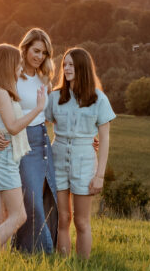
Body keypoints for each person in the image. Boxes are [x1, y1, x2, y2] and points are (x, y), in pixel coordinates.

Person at [0, 28, 59, 253]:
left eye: (44, 53)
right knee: (29, 204)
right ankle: (38, 252)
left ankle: (13, 252)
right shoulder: (12, 76)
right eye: (36, 51)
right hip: (19, 142)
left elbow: (51, 112)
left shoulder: (44, 78)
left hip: (42, 141)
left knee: (48, 199)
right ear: (24, 48)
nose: (39, 57)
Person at [47, 47, 115, 259]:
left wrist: (99, 175)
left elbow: (104, 139)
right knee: (63, 218)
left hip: (85, 161)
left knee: (81, 221)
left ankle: (83, 267)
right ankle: (63, 263)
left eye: (71, 64)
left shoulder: (98, 99)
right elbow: (38, 123)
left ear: (82, 67)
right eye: (64, 65)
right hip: (58, 157)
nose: (66, 68)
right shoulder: (55, 96)